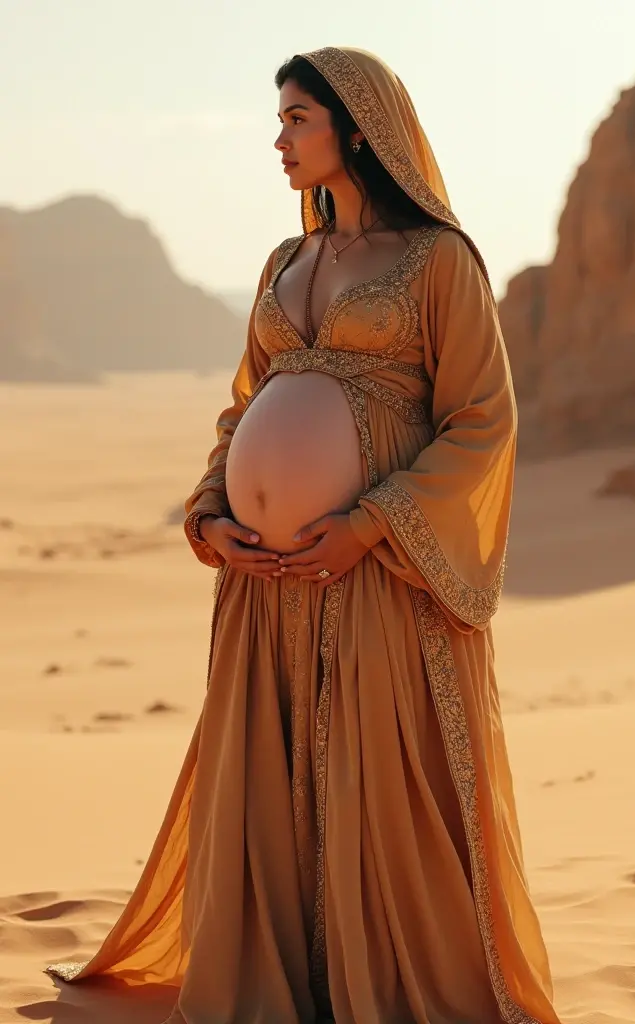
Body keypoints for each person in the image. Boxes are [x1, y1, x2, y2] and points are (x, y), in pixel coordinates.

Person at [47, 46, 562, 1024]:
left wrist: (369, 526)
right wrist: (213, 514)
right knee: (274, 780)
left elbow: (483, 420)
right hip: (263, 580)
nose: (277, 140)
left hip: (374, 573)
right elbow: (244, 411)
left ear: (356, 127)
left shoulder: (438, 262)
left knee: (374, 782)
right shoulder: (284, 264)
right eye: (279, 120)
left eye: (296, 119)